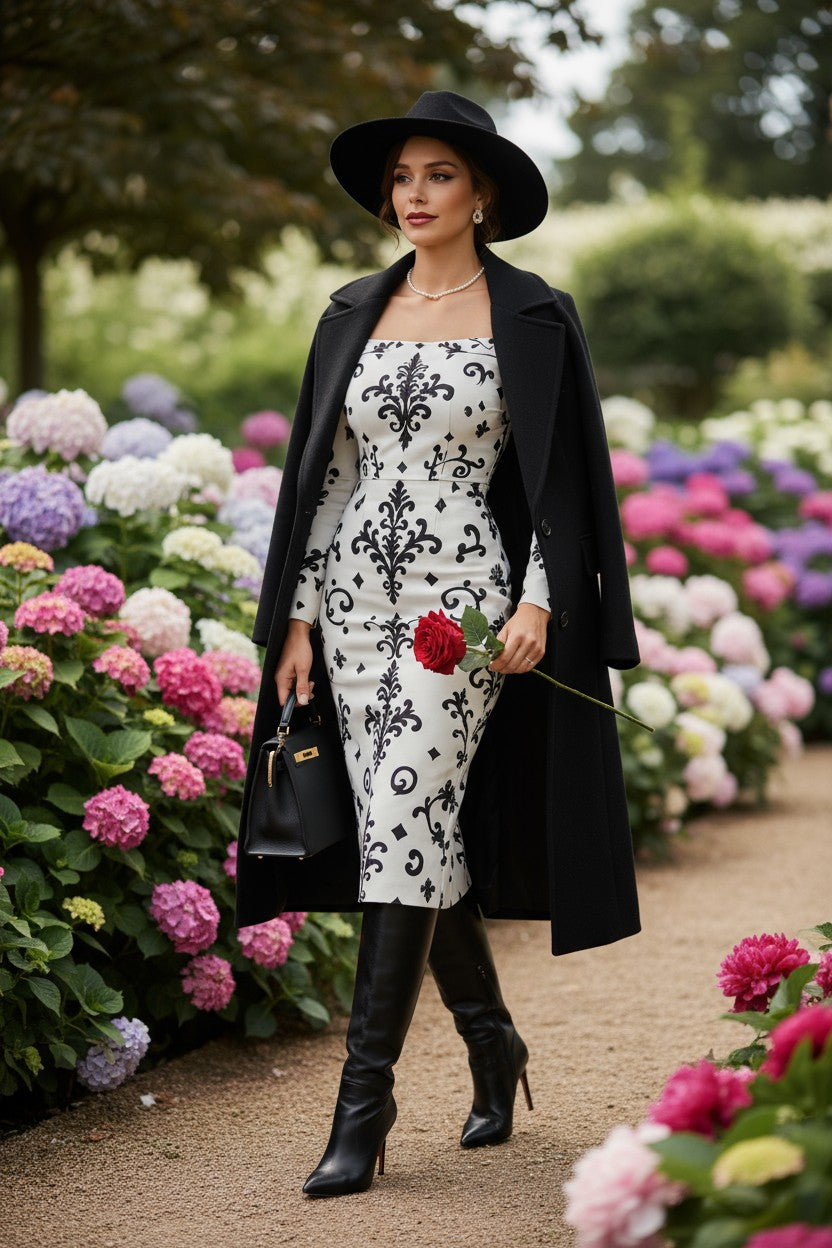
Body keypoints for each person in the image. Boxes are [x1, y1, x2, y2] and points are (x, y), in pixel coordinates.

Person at [235, 91, 641, 1198]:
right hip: (355, 604)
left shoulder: (535, 315)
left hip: (459, 613)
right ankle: (493, 1043)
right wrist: (301, 620)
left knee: (406, 809)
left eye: (437, 177)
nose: (412, 196)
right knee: (407, 832)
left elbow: (560, 480)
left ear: (484, 195)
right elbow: (326, 481)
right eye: (401, 178)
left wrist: (541, 602)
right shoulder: (348, 313)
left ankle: (359, 1108)